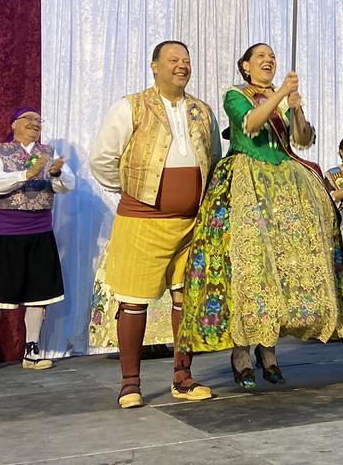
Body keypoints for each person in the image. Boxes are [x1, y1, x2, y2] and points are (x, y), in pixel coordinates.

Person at [178, 43, 343, 389]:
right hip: (247, 183)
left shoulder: (282, 97)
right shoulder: (235, 93)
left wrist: (297, 110)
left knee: (281, 266)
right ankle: (242, 351)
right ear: (245, 66)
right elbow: (252, 124)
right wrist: (280, 97)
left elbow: (302, 140)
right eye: (260, 56)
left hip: (284, 186)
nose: (268, 60)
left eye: (272, 56)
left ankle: (269, 349)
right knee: (251, 267)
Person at [89, 41, 220, 409]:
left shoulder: (202, 111)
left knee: (187, 300)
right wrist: (134, 191)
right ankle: (130, 384)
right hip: (142, 221)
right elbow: (102, 158)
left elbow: (212, 159)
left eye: (187, 61)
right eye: (173, 60)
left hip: (190, 224)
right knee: (133, 303)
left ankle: (183, 377)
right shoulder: (130, 107)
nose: (182, 66)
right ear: (154, 66)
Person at [0, 108, 75, 375]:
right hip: (6, 232)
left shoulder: (48, 154)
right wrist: (25, 175)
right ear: (14, 124)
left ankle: (32, 349)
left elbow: (67, 186)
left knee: (38, 293)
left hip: (39, 230)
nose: (35, 124)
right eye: (29, 120)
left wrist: (55, 175)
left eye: (39, 120)